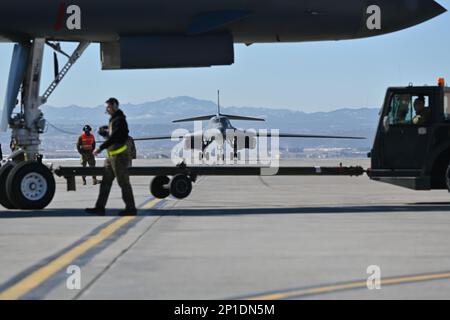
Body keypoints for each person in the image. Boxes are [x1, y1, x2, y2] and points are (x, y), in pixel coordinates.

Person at [86, 98, 137, 216]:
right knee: (105, 182)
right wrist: (104, 133)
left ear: (114, 106)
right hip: (111, 157)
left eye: (108, 107)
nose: (106, 110)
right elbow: (112, 135)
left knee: (123, 183)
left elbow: (115, 137)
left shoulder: (120, 120)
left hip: (119, 156)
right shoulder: (114, 120)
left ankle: (131, 208)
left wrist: (100, 147)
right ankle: (99, 208)